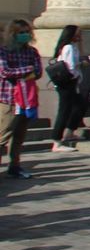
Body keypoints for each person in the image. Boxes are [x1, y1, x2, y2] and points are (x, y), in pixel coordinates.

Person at [1, 19, 41, 178]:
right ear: (12, 34)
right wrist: (27, 70)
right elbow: (4, 72)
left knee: (19, 135)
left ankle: (15, 165)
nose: (25, 35)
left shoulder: (32, 52)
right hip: (8, 97)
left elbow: (37, 72)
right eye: (21, 33)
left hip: (27, 99)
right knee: (3, 133)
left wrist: (22, 72)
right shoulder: (4, 51)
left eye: (27, 32)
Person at [49, 25, 86, 151]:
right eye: (78, 33)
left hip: (69, 83)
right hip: (68, 83)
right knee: (64, 110)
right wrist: (81, 66)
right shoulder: (69, 47)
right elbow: (70, 67)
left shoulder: (71, 47)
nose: (80, 36)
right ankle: (56, 141)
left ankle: (69, 132)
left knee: (80, 105)